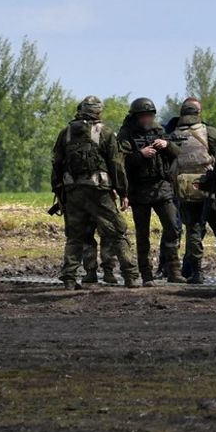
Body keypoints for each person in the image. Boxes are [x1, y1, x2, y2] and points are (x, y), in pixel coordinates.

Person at [51, 96, 139, 290]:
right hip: (99, 192)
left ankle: (70, 278)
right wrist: (123, 192)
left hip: (72, 192)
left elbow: (56, 164)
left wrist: (59, 191)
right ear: (98, 112)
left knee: (76, 236)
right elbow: (116, 165)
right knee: (117, 232)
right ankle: (131, 275)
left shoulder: (65, 133)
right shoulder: (106, 133)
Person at [118, 97, 180, 285]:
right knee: (142, 234)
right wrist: (140, 155)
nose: (147, 119)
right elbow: (120, 162)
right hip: (139, 190)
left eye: (149, 116)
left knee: (172, 226)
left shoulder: (159, 130)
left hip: (161, 187)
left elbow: (177, 153)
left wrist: (166, 145)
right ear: (136, 117)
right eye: (143, 116)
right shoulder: (126, 134)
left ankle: (174, 270)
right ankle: (146, 274)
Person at [166, 99, 216, 284]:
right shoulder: (210, 132)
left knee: (193, 230)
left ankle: (197, 273)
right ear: (198, 113)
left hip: (185, 191)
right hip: (209, 188)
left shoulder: (173, 135)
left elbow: (170, 164)